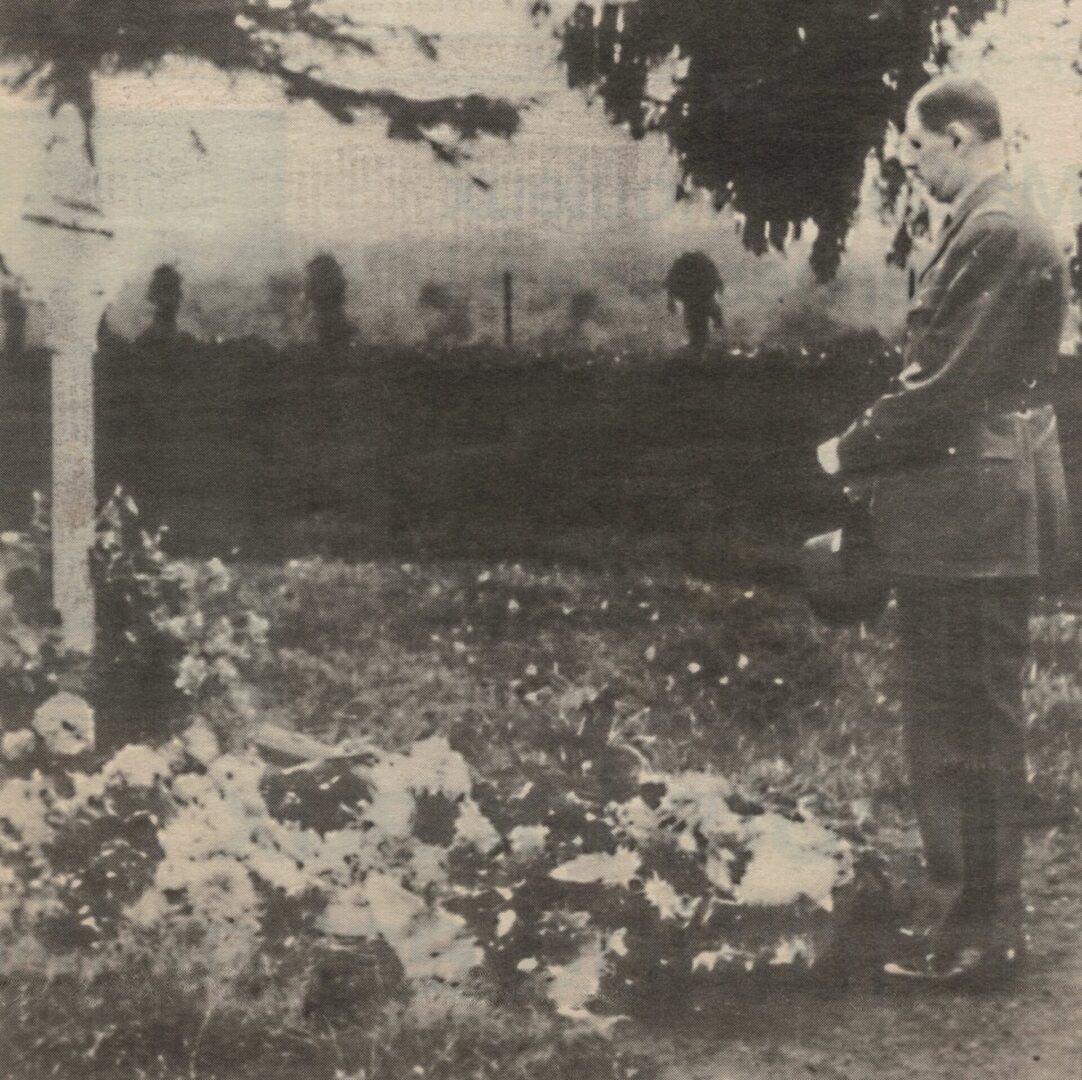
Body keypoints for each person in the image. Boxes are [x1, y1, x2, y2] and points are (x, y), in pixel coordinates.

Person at [817, 77, 1072, 985]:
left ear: (960, 137)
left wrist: (850, 450)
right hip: (976, 497)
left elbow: (949, 383)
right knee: (966, 710)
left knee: (964, 713)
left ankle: (983, 929)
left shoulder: (999, 227)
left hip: (973, 502)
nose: (911, 163)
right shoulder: (997, 217)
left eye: (920, 148)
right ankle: (974, 917)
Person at [665, 251, 723, 356]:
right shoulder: (703, 267)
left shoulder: (685, 268)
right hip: (697, 296)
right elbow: (717, 284)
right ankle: (698, 347)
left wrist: (671, 301)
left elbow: (671, 284)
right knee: (699, 318)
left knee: (697, 319)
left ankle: (697, 347)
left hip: (696, 296)